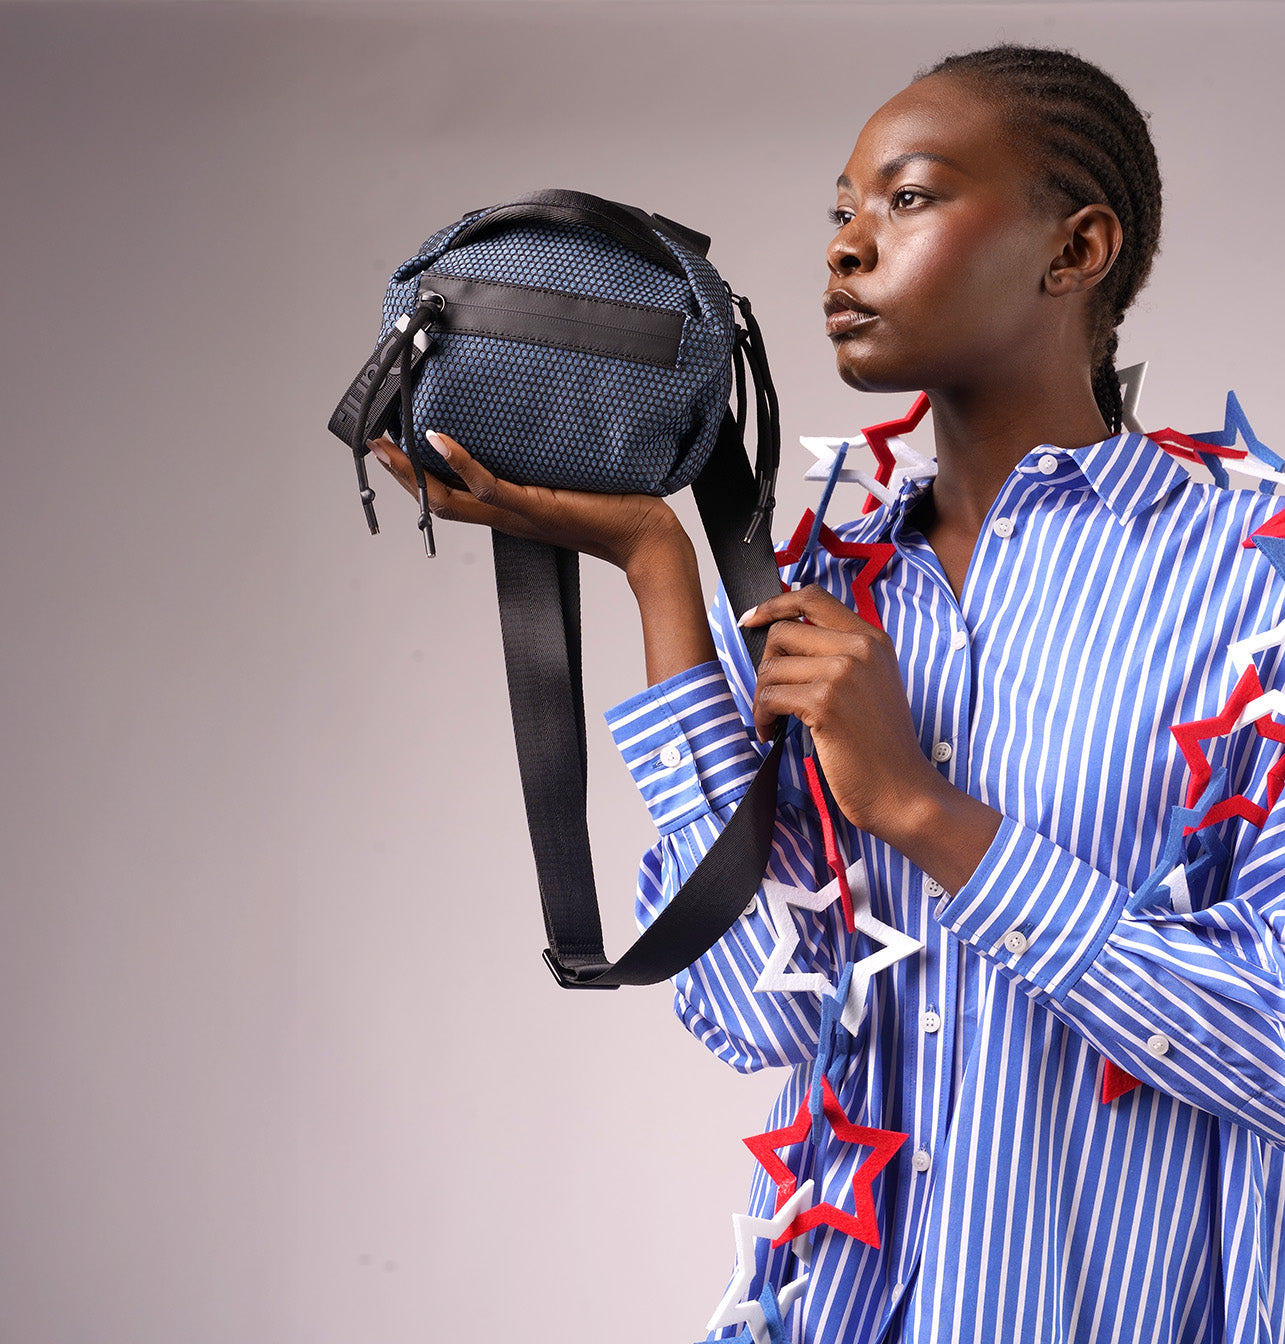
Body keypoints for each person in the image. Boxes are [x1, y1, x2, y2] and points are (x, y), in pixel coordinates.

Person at [367, 44, 1285, 1344]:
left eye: (907, 198)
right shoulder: (814, 596)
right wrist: (659, 574)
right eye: (841, 209)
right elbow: (762, 1011)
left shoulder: (1252, 578)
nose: (846, 248)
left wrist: (920, 811)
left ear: (1075, 249)